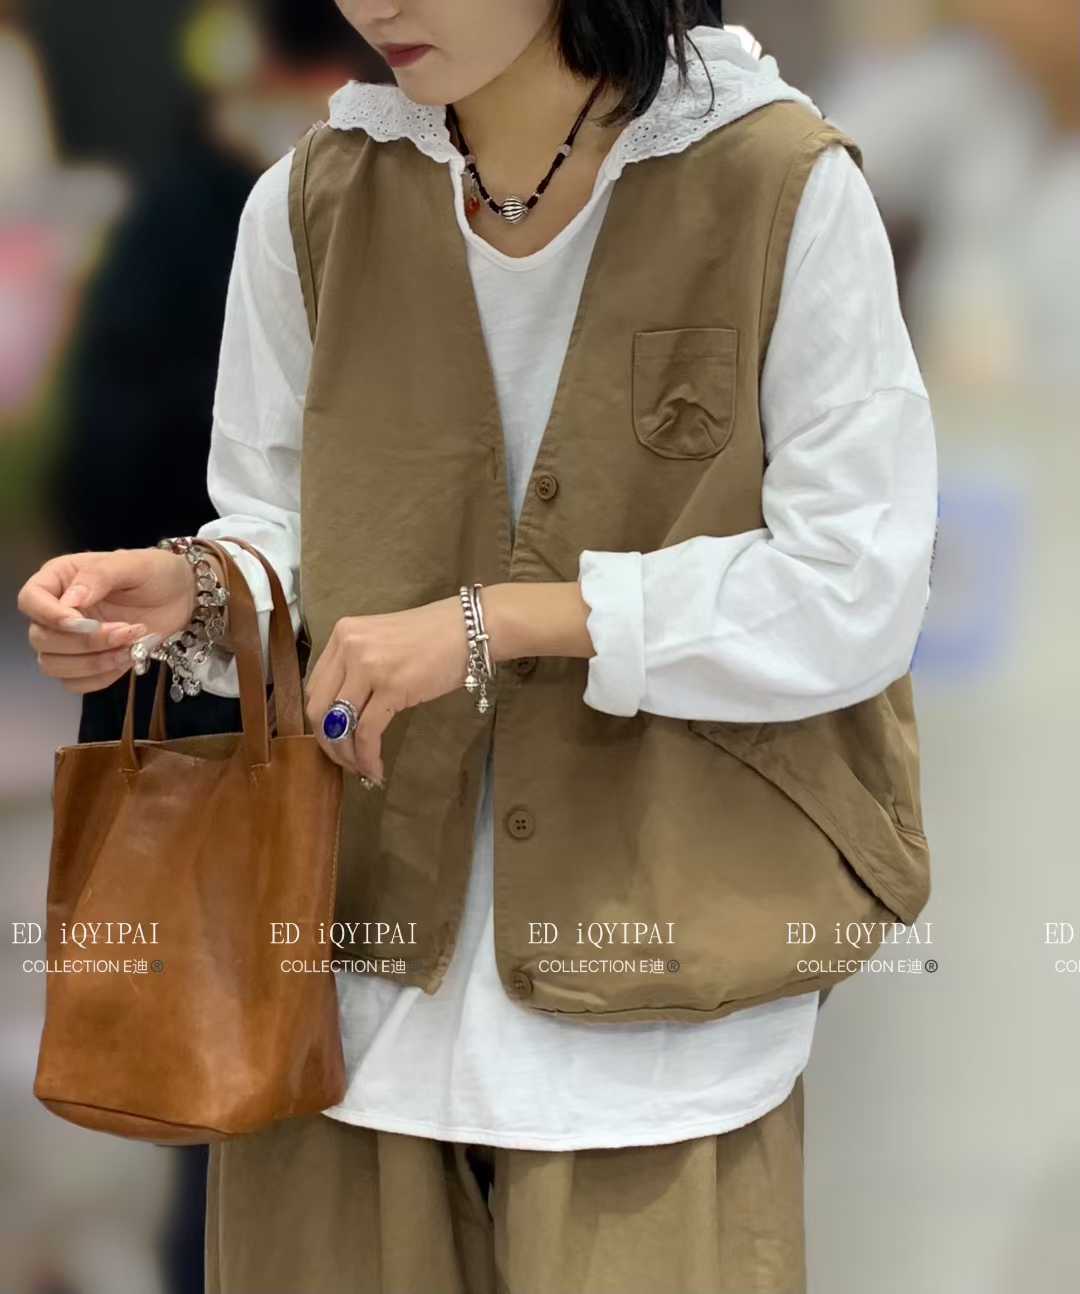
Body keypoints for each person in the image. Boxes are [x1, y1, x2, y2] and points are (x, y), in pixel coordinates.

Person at [17, 2, 938, 1290]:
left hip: (654, 1031)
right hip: (334, 1016)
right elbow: (285, 532)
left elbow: (854, 585)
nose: (375, 4)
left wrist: (502, 622)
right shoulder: (309, 201)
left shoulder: (778, 186)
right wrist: (193, 595)